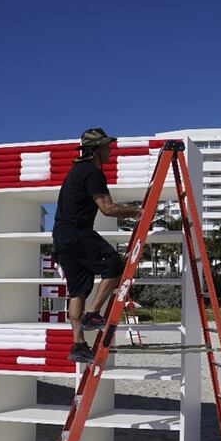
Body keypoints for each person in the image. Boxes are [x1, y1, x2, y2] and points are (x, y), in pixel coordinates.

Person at [53, 127, 143, 362]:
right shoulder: (92, 173)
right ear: (96, 150)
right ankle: (92, 314)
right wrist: (137, 211)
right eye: (107, 146)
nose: (110, 150)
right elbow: (108, 208)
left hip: (62, 236)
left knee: (77, 290)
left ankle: (78, 345)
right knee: (115, 266)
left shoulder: (75, 172)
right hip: (77, 233)